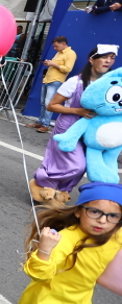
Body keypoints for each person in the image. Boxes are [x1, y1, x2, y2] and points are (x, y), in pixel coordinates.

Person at [30, 45, 118, 205]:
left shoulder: (111, 85)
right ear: (91, 60)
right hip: (69, 128)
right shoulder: (75, 82)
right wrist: (78, 111)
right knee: (76, 165)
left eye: (112, 58)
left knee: (83, 167)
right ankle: (43, 183)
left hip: (92, 132)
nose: (108, 61)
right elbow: (52, 106)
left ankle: (61, 191)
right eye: (104, 57)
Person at [29, 37, 77, 133]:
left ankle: (45, 125)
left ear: (63, 44)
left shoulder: (71, 53)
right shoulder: (59, 53)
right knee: (43, 102)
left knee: (48, 103)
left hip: (56, 80)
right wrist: (49, 64)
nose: (55, 48)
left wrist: (53, 64)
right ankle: (41, 122)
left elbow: (68, 69)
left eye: (56, 46)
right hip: (48, 79)